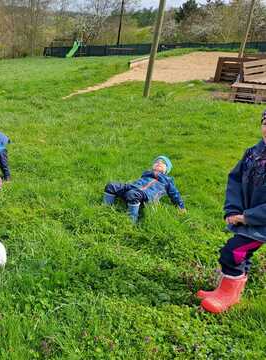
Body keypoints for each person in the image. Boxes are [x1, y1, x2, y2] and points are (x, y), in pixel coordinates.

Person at [197, 110, 266, 313]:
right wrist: (233, 209)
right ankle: (229, 292)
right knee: (241, 253)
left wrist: (247, 217)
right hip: (245, 217)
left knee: (233, 252)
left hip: (261, 223)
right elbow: (234, 180)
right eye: (265, 122)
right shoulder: (253, 153)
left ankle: (227, 294)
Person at [103, 156, 185, 223]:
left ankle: (131, 220)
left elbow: (175, 194)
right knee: (111, 185)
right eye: (157, 162)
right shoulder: (147, 173)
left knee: (132, 194)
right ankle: (106, 208)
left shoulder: (167, 180)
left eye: (163, 163)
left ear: (167, 170)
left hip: (147, 195)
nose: (159, 163)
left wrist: (181, 207)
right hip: (132, 187)